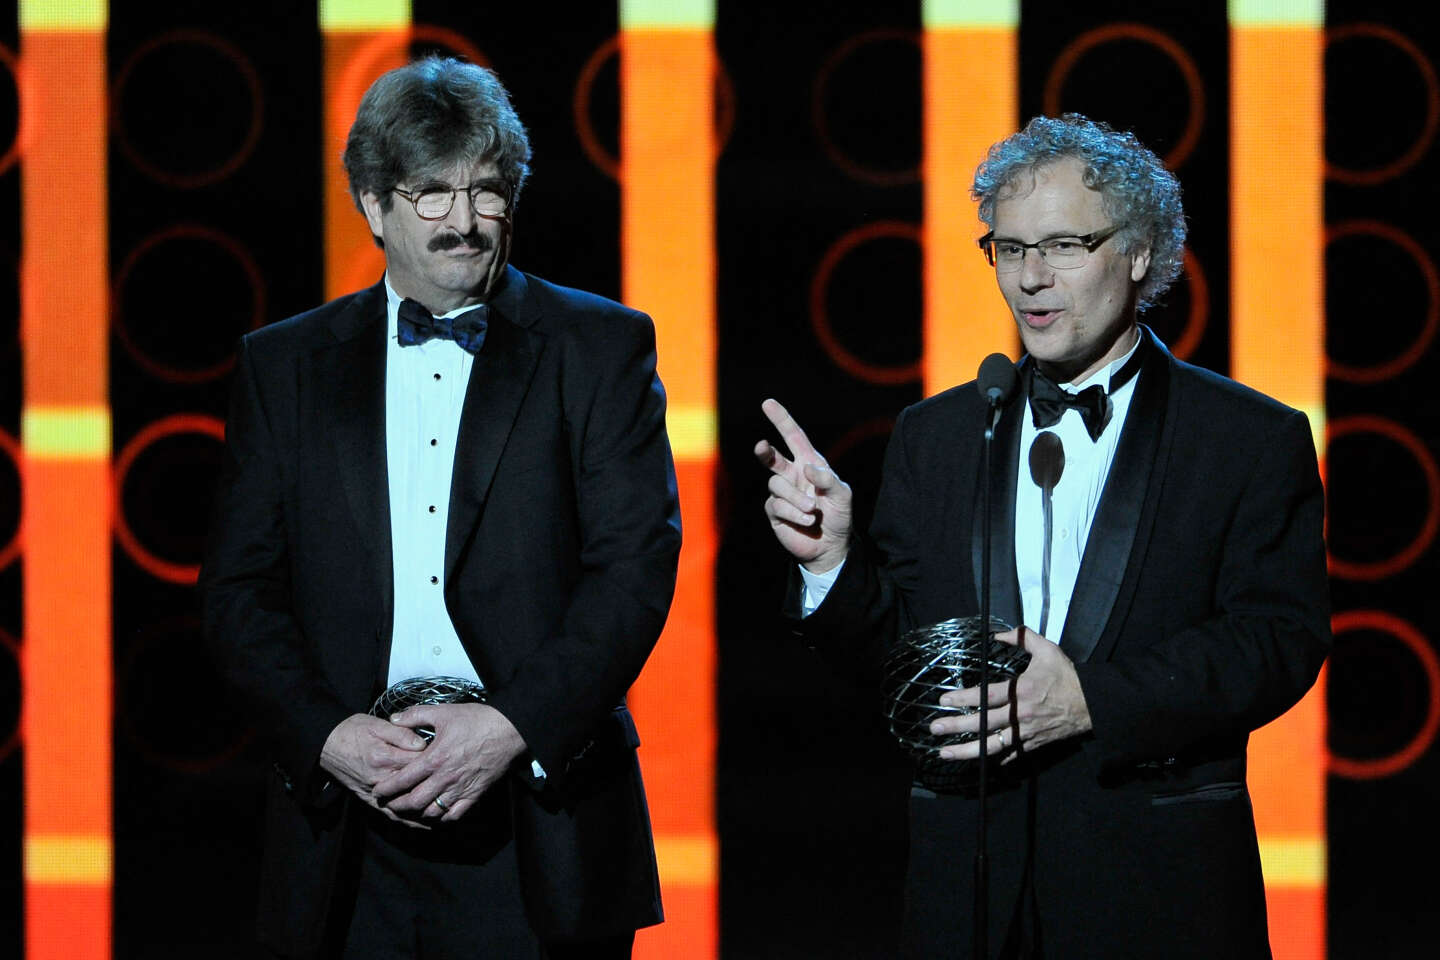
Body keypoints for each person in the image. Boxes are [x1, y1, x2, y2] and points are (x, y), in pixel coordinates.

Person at [755, 114, 1329, 958]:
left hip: (1161, 894)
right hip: (969, 895)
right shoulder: (937, 435)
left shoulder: (1247, 438)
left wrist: (1092, 700)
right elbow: (901, 662)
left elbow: (1276, 643)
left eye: (1061, 245)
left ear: (1138, 254)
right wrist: (833, 564)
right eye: (1010, 248)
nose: (1030, 278)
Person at [201, 57, 681, 960]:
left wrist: (509, 728)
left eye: (486, 191)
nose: (463, 223)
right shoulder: (284, 367)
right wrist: (328, 735)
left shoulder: (602, 346)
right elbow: (237, 592)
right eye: (430, 194)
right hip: (344, 832)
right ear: (374, 206)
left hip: (542, 819)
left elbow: (633, 570)